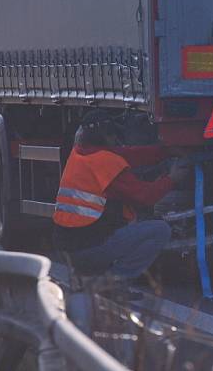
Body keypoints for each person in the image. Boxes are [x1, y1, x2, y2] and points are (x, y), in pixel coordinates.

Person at [53, 109, 188, 281]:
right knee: (159, 230)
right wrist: (172, 179)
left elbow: (130, 155)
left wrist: (165, 152)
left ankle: (91, 275)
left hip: (68, 249)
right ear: (104, 136)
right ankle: (115, 282)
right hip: (87, 250)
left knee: (127, 219)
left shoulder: (81, 153)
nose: (115, 140)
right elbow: (145, 196)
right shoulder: (106, 163)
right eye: (112, 135)